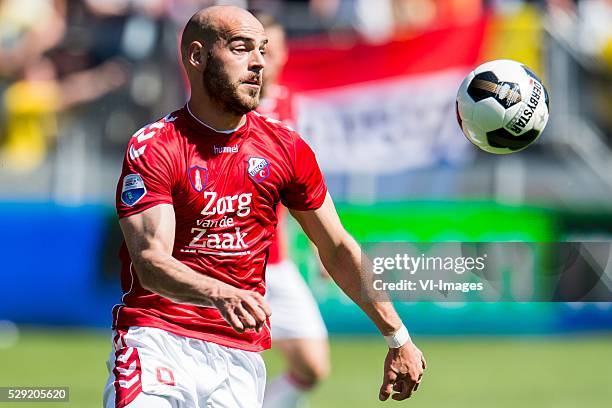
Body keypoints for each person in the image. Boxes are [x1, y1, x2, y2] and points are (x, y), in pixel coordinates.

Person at [103, 5, 426, 408]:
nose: (259, 62)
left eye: (263, 49)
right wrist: (219, 293)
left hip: (240, 358)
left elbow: (339, 247)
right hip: (158, 341)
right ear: (197, 57)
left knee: (311, 364)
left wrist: (399, 338)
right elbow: (150, 261)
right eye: (241, 48)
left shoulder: (286, 148)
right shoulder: (155, 146)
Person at [252, 12, 330, 408]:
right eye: (261, 49)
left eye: (275, 49)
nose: (269, 58)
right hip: (230, 265)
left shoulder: (290, 107)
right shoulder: (225, 111)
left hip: (276, 265)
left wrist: (321, 247)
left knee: (313, 365)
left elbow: (303, 188)